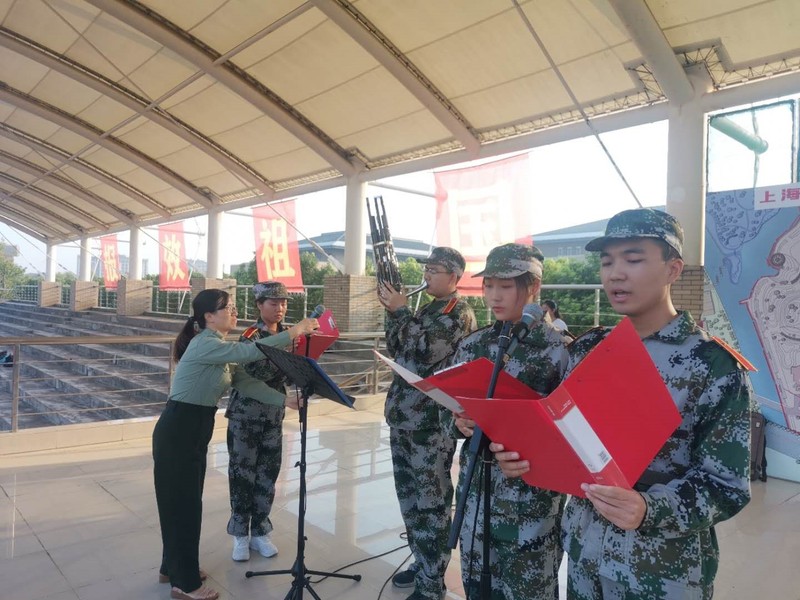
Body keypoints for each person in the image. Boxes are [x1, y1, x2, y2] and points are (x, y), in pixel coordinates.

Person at [492, 208, 752, 599]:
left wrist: (649, 509)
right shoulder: (588, 350)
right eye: (607, 261)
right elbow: (564, 440)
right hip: (584, 555)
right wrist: (524, 456)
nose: (615, 274)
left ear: (673, 269)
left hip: (659, 572)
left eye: (633, 260)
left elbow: (727, 486)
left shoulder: (711, 364)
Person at [153, 289, 319, 600]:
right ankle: (184, 583)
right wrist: (294, 332)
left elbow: (246, 382)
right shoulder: (205, 344)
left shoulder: (219, 348)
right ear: (208, 316)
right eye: (227, 308)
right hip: (179, 429)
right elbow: (250, 352)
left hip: (193, 430)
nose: (234, 312)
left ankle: (172, 567)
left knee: (184, 502)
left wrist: (284, 400)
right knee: (183, 505)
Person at [451, 244, 569, 600]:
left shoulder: (560, 350)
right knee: (477, 588)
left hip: (530, 508)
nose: (494, 296)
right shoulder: (473, 346)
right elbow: (447, 411)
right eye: (488, 286)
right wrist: (458, 422)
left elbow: (572, 436)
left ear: (533, 286)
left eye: (505, 286)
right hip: (475, 496)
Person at [378, 247, 478, 600]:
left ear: (454, 277)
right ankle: (422, 562)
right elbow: (398, 346)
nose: (427, 276)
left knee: (431, 502)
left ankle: (433, 581)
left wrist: (401, 311)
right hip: (404, 418)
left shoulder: (458, 313)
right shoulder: (427, 310)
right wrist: (393, 312)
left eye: (434, 270)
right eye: (427, 269)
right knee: (409, 499)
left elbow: (425, 351)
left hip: (430, 425)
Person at [226, 281, 297, 562]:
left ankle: (260, 531)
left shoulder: (291, 335)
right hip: (246, 416)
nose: (280, 308)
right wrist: (287, 357)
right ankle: (240, 535)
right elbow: (258, 372)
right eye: (273, 303)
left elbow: (292, 374)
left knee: (268, 474)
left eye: (283, 303)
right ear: (259, 305)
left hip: (273, 415)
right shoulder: (250, 336)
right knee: (242, 475)